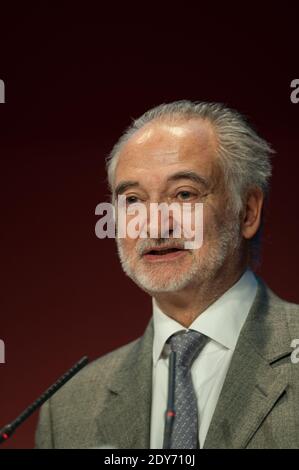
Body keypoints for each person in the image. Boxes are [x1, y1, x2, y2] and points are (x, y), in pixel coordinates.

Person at [35, 100, 299, 449]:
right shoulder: (68, 409)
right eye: (132, 200)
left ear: (247, 212)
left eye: (184, 194)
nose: (155, 224)